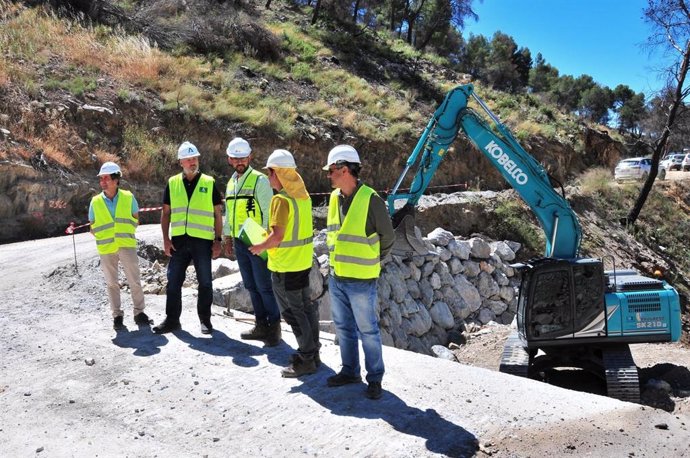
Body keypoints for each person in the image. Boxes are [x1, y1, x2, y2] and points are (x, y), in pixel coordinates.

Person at [323, 145, 394, 400]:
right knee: (343, 327)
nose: (328, 176)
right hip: (337, 275)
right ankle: (350, 371)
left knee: (368, 331)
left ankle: (374, 378)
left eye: (331, 170)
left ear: (344, 169)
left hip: (361, 280)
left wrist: (373, 261)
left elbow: (388, 238)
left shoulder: (371, 199)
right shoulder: (334, 198)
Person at [249, 149, 319, 378]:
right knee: (306, 309)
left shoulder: (280, 201)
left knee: (292, 313)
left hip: (285, 267)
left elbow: (277, 237)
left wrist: (259, 246)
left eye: (269, 174)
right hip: (301, 263)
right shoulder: (303, 197)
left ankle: (306, 359)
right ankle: (313, 354)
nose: (268, 179)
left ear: (277, 174)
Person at [153, 141, 223, 335]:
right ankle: (172, 320)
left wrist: (218, 241)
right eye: (189, 159)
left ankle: (205, 321)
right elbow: (166, 213)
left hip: (202, 241)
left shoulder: (209, 183)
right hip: (179, 241)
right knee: (173, 281)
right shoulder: (172, 183)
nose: (193, 162)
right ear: (181, 162)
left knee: (205, 282)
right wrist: (166, 240)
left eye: (195, 158)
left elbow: (218, 214)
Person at [223, 137, 282, 346]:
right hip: (240, 242)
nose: (240, 161)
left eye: (243, 158)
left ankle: (274, 329)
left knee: (264, 286)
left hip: (258, 241)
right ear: (230, 159)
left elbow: (269, 213)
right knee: (251, 285)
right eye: (236, 158)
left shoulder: (260, 181)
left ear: (250, 157)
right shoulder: (231, 183)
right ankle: (260, 325)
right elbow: (229, 213)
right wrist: (227, 237)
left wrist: (265, 242)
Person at [89, 161, 152, 330]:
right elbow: (92, 226)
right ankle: (117, 315)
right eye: (101, 178)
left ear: (116, 179)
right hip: (106, 248)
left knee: (134, 280)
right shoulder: (95, 202)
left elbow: (135, 220)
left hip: (126, 244)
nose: (103, 181)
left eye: (106, 178)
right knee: (111, 283)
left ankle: (139, 312)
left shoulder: (128, 197)